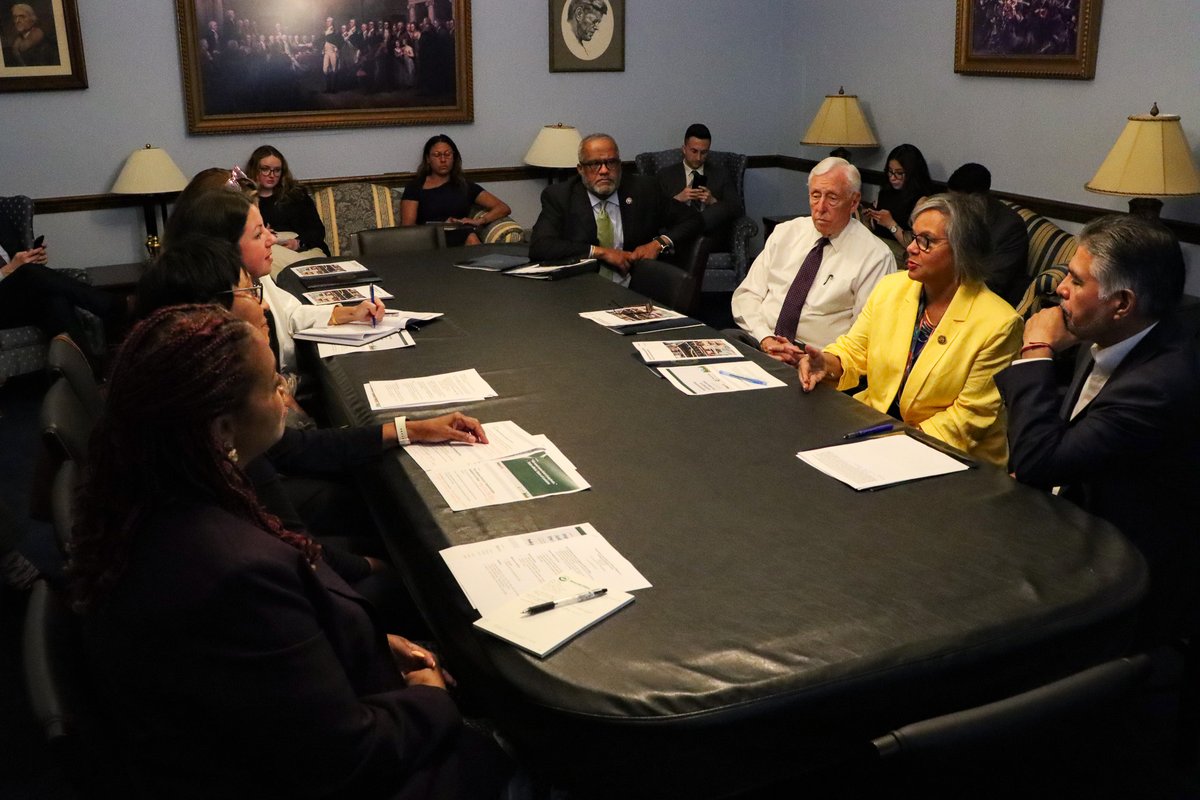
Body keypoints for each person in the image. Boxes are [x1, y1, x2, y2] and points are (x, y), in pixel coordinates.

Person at [68, 304, 511, 797]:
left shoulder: (144, 492)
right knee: (497, 755)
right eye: (272, 383)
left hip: (225, 742)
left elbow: (266, 667)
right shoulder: (234, 573)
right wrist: (432, 700)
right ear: (222, 429)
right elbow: (346, 757)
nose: (285, 393)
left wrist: (369, 640)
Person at [996, 214, 1200, 644]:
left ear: (1121, 303)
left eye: (1075, 279)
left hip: (1125, 577)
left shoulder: (1160, 383)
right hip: (1066, 524)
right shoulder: (1115, 332)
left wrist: (1037, 350)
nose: (1060, 289)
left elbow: (1039, 460)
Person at [799, 193, 1023, 466]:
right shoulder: (892, 287)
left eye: (926, 241)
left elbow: (969, 418)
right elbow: (856, 349)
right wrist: (829, 363)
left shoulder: (999, 323)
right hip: (875, 431)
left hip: (951, 456)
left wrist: (896, 445)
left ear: (962, 250)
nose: (912, 248)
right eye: (915, 237)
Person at [168, 186, 380, 375]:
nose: (271, 240)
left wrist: (350, 313)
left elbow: (289, 314)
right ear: (224, 246)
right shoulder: (218, 311)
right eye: (259, 234)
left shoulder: (257, 276)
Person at [731, 156, 894, 362]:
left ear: (854, 202)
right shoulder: (786, 233)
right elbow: (747, 295)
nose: (820, 207)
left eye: (832, 198)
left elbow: (863, 336)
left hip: (814, 357)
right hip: (762, 340)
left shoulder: (875, 256)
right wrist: (765, 337)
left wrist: (820, 361)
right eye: (815, 195)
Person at [529, 132, 703, 285]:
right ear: (580, 169)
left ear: (619, 165)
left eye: (611, 162)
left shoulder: (644, 190)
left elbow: (694, 219)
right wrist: (601, 253)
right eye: (595, 164)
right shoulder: (560, 196)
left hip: (636, 288)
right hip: (580, 290)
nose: (604, 171)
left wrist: (659, 244)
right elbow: (540, 246)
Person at [0, 232, 122, 367]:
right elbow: (17, 270)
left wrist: (33, 258)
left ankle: (90, 375)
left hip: (14, 300)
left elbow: (19, 264)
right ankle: (114, 305)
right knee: (29, 273)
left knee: (54, 299)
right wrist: (9, 269)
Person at [400, 134, 511, 247]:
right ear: (428, 159)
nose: (443, 160)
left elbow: (503, 208)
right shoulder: (415, 187)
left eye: (447, 154)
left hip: (460, 237)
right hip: (428, 240)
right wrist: (440, 226)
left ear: (454, 157)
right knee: (468, 235)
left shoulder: (465, 186)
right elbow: (408, 227)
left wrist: (480, 221)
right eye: (437, 155)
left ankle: (481, 264)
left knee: (468, 234)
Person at [946, 162, 1029, 307]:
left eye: (958, 202)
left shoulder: (1010, 227)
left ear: (976, 199)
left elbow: (995, 281)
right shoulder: (956, 216)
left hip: (990, 300)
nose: (953, 206)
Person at [655, 123, 744, 249]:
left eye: (704, 153)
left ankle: (670, 239)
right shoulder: (665, 174)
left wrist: (713, 201)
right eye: (694, 151)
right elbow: (654, 212)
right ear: (684, 149)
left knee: (719, 209)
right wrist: (677, 199)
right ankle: (682, 233)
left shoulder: (721, 173)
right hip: (678, 236)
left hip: (708, 239)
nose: (698, 158)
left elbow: (737, 209)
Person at [244, 145, 330, 256]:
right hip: (268, 250)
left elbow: (317, 230)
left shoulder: (296, 195)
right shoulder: (243, 199)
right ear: (255, 170)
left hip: (304, 249)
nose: (271, 175)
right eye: (265, 169)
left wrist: (298, 242)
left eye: (277, 170)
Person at [863, 143, 934, 251]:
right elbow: (875, 232)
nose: (892, 178)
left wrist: (891, 224)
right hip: (878, 247)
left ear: (912, 174)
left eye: (899, 173)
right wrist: (867, 220)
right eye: (890, 172)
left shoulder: (921, 201)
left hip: (900, 254)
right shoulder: (886, 192)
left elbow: (917, 246)